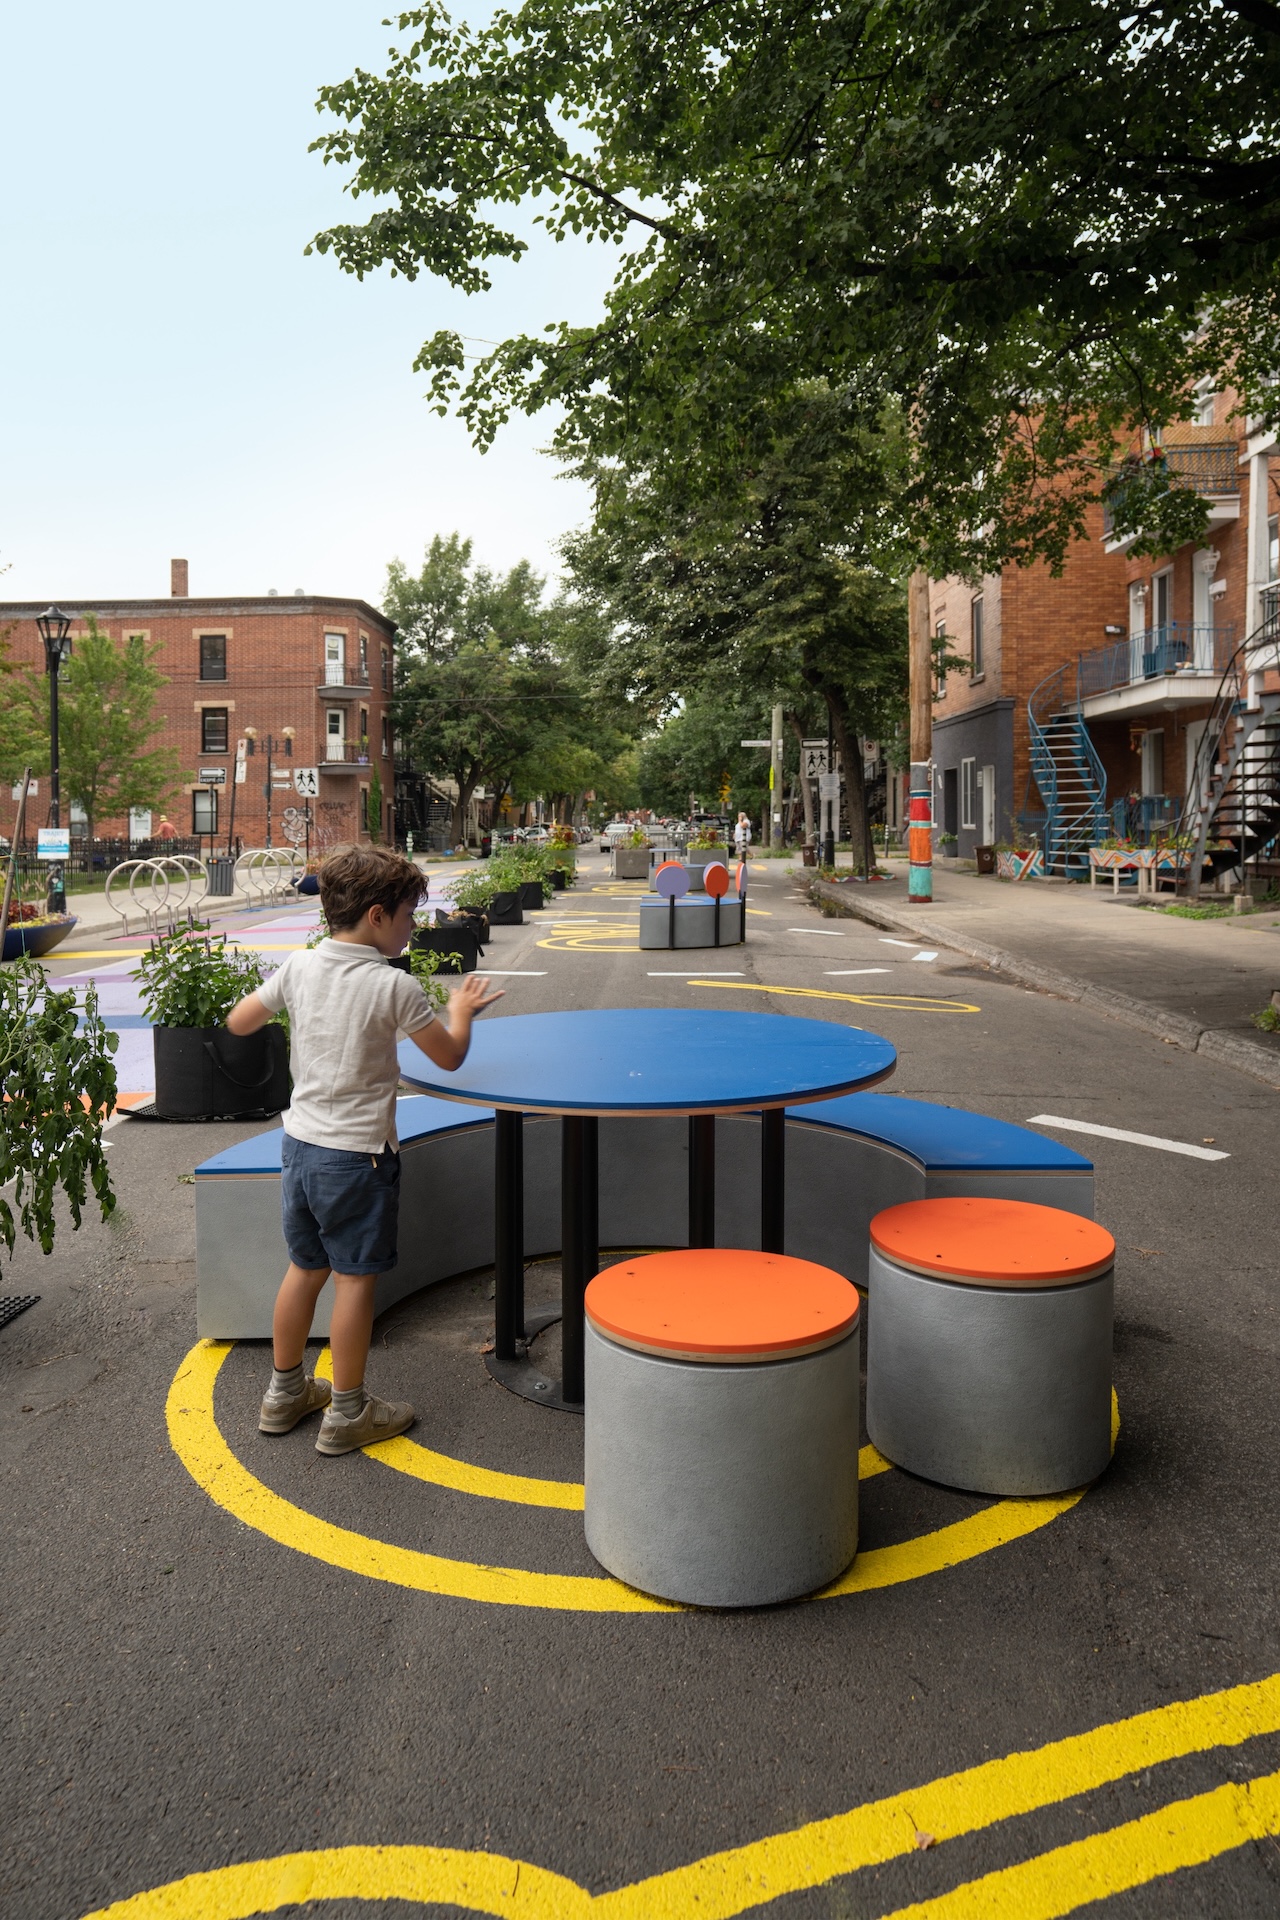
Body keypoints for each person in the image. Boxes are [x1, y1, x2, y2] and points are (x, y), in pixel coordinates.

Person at [226, 845, 503, 1455]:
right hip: (358, 1157)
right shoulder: (392, 985)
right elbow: (450, 1056)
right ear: (377, 915)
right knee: (354, 1282)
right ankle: (347, 1411)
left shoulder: (299, 968)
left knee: (305, 1270)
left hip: (299, 1146)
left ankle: (285, 1391)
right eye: (409, 914)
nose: (413, 925)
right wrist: (460, 1009)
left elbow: (240, 1021)